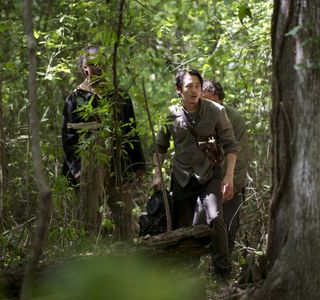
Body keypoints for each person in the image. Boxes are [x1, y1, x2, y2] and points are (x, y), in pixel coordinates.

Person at [152, 69, 239, 280]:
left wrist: (229, 176)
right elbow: (159, 146)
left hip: (210, 174)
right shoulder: (171, 114)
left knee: (215, 217)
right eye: (189, 86)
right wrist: (156, 174)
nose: (194, 91)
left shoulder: (216, 111)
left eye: (197, 86)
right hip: (181, 176)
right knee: (182, 226)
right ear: (178, 90)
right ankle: (184, 273)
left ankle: (222, 271)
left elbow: (231, 145)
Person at [61, 45, 145, 186]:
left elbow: (131, 132)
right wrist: (77, 169)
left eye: (102, 63)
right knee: (89, 208)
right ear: (85, 68)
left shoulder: (120, 96)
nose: (98, 67)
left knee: (124, 207)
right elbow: (69, 138)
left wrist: (137, 166)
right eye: (93, 64)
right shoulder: (74, 99)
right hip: (88, 171)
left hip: (119, 168)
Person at [200, 79, 249, 255]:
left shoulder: (234, 119)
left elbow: (240, 157)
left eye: (209, 101)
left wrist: (230, 184)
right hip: (205, 184)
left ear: (219, 99)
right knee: (197, 229)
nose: (205, 105)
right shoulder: (198, 118)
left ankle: (223, 273)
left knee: (228, 230)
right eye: (202, 101)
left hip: (230, 185)